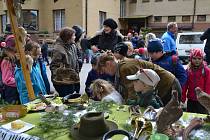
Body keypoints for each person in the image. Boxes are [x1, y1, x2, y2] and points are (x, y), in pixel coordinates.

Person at [96, 53, 181, 105]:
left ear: (108, 64)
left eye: (104, 70)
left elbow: (133, 91)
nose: (105, 73)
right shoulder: (121, 66)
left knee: (165, 116)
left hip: (168, 86)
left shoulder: (124, 68)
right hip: (164, 85)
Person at [50, 27, 80, 97]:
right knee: (65, 101)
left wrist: (76, 75)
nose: (75, 37)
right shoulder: (58, 49)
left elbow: (75, 61)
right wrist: (61, 78)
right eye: (73, 36)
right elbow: (54, 66)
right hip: (62, 82)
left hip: (72, 80)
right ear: (68, 37)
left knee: (72, 99)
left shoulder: (73, 46)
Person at [182, 48, 210, 114]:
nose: (197, 61)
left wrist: (207, 98)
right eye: (194, 58)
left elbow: (208, 85)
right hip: (191, 99)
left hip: (202, 101)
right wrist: (182, 99)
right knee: (190, 117)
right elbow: (185, 85)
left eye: (199, 58)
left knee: (202, 118)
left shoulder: (206, 71)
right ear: (191, 59)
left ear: (202, 59)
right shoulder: (188, 70)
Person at [0, 35, 19, 104]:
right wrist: (19, 81)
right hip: (10, 91)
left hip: (14, 89)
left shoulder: (13, 58)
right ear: (13, 47)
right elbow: (7, 80)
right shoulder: (7, 60)